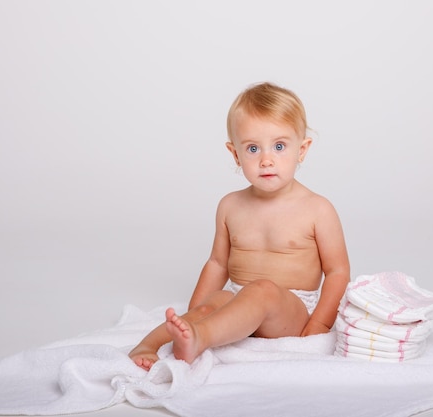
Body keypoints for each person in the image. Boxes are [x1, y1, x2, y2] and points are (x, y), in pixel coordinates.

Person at [129, 82, 350, 369]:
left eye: (279, 146)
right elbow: (217, 264)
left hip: (291, 309)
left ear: (302, 149)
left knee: (263, 291)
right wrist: (197, 311)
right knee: (214, 303)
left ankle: (200, 337)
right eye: (253, 148)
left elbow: (337, 271)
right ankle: (151, 343)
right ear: (235, 154)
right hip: (237, 297)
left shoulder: (318, 209)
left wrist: (319, 323)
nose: (266, 160)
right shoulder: (230, 206)